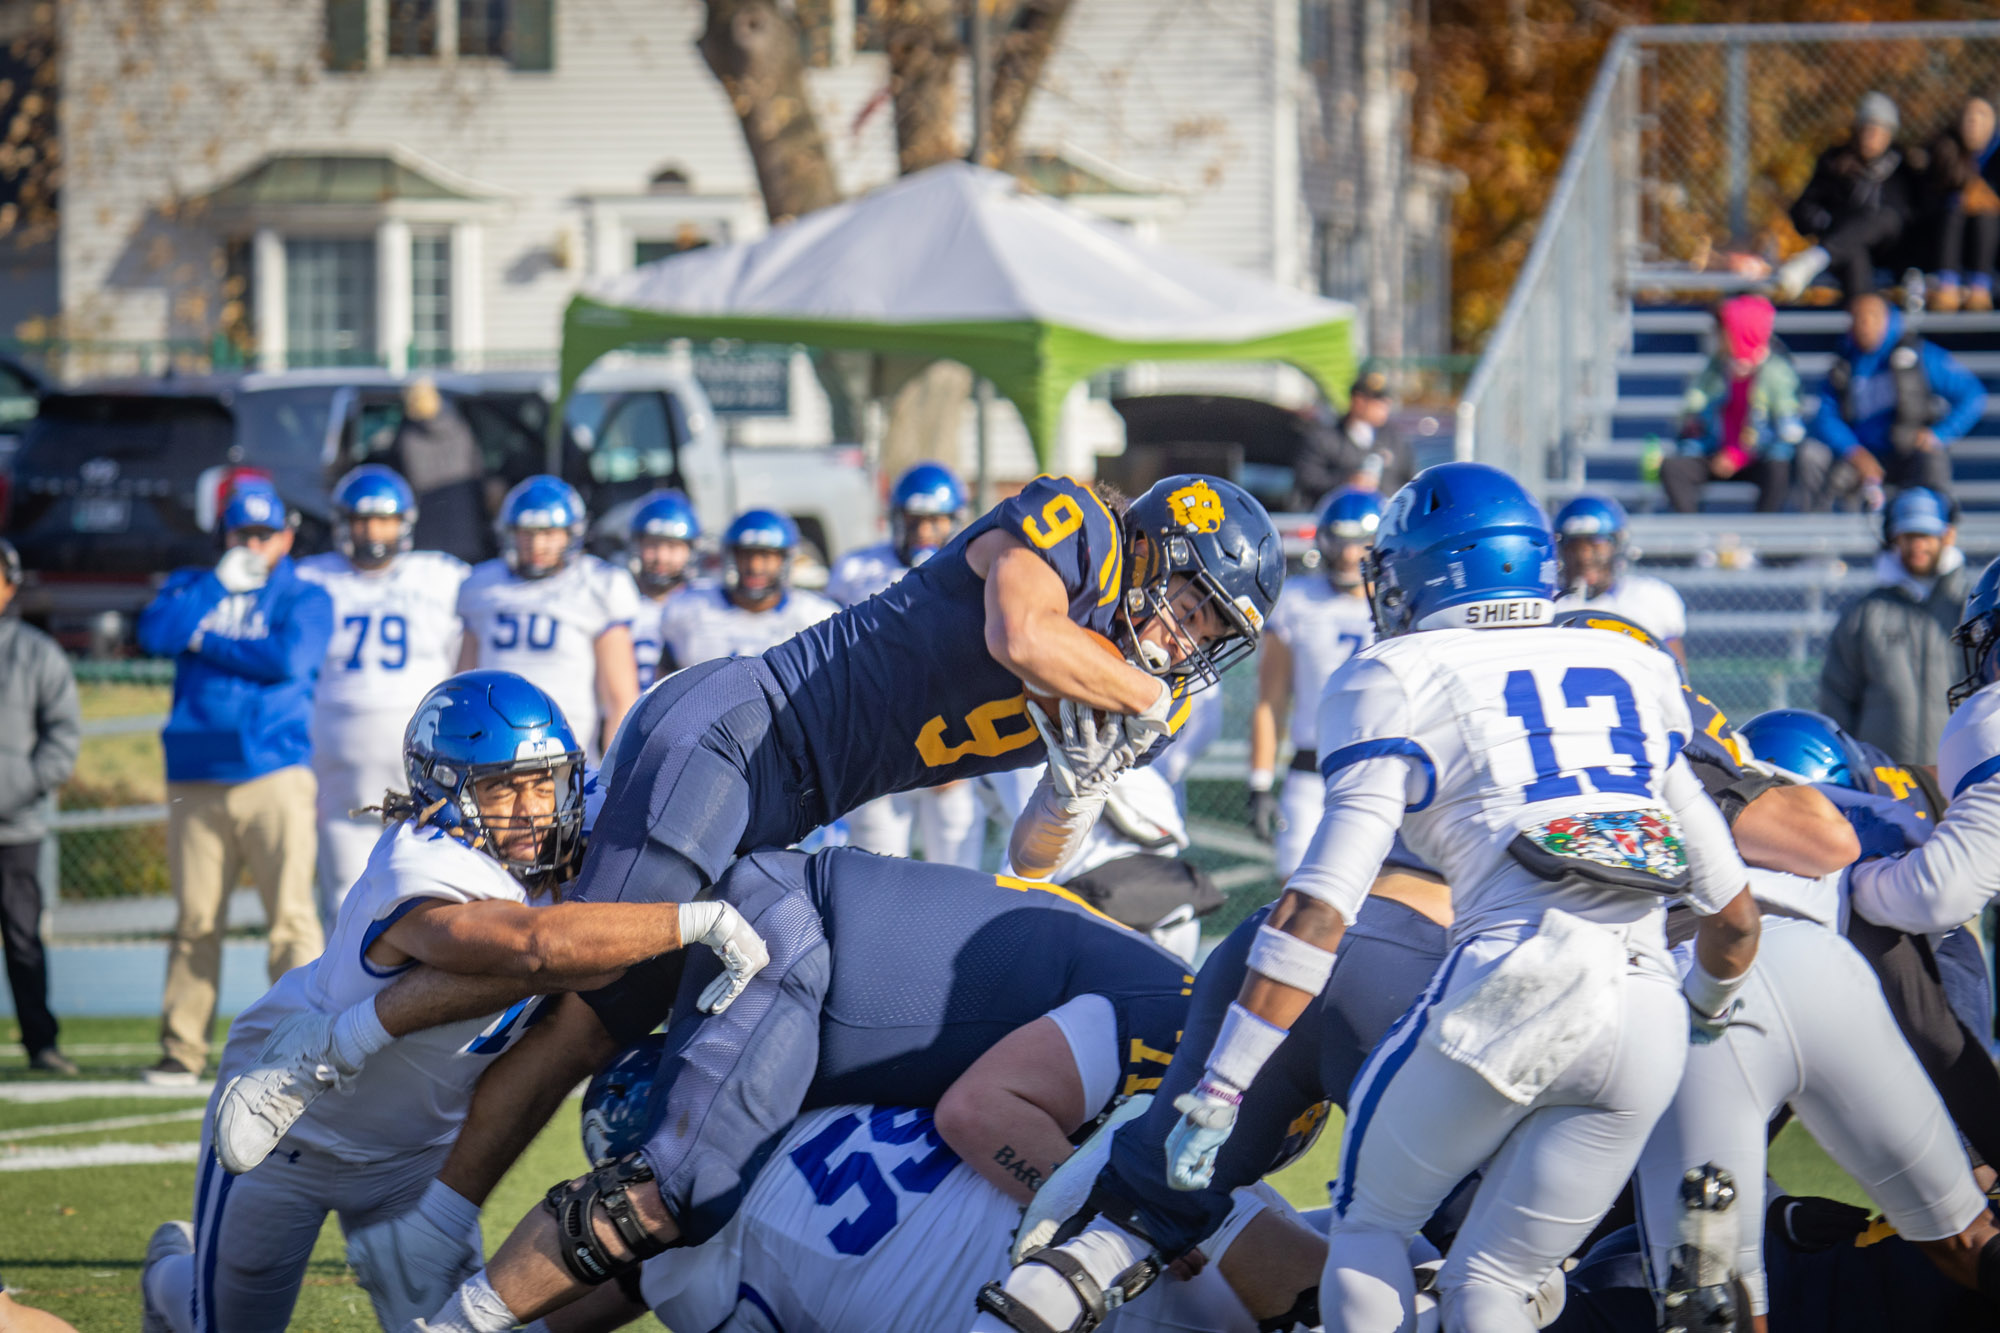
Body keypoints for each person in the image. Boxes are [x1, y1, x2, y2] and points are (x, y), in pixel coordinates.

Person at [217, 474, 1282, 1172]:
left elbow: (1031, 860)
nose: (1185, 642)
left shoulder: (1104, 680)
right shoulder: (1077, 530)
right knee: (578, 953)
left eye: (1207, 636)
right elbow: (1018, 629)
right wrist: (1150, 705)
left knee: (600, 1016)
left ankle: (439, 1219)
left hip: (800, 794)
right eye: (1192, 605)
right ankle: (326, 1044)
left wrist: (1074, 792)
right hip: (743, 728)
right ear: (1154, 549)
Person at [984, 612, 1851, 1333]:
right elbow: (1811, 852)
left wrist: (1223, 1084)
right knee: (1505, 1268)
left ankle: (1046, 1287)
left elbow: (1319, 902)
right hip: (1453, 983)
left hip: (1287, 951)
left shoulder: (1424, 681)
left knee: (1147, 1210)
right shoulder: (1628, 723)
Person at [1155, 463, 1761, 1333]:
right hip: (1650, 1016)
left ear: (1421, 573)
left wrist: (1223, 1086)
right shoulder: (1628, 655)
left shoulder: (1396, 670)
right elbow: (1733, 917)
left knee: (1369, 1230)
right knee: (1493, 1282)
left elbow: (1320, 909)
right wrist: (1700, 1013)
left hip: (1512, 985)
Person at [345, 846, 1199, 1331]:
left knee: (671, 1202)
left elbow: (631, 1278)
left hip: (985, 1294)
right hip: (1028, 1253)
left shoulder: (689, 1239)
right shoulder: (851, 1102)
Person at [144, 672, 767, 1331]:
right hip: (293, 1132)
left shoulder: (562, 825)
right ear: (440, 788)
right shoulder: (421, 860)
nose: (532, 807)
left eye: (544, 781)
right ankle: (168, 1273)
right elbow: (531, 947)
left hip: (416, 1158)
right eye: (502, 786)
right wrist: (698, 920)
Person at [534, 1045, 1325, 1333]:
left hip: (1020, 1304)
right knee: (1351, 1287)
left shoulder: (688, 1271)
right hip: (1142, 1222)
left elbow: (630, 1278)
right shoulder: (844, 1093)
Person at [134, 478, 331, 1085]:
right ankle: (182, 1048)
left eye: (264, 534)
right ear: (224, 535)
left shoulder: (306, 595)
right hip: (196, 774)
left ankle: (304, 1045)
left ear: (287, 537)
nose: (253, 544)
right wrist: (216, 588)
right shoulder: (194, 586)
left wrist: (206, 639)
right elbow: (155, 636)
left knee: (291, 920)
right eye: (242, 533)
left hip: (273, 771)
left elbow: (286, 662)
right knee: (196, 920)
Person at [295, 465, 468, 916]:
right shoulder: (312, 578)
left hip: (421, 751)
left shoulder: (442, 576)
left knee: (428, 879)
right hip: (339, 754)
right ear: (342, 524)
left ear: (404, 523)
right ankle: (348, 985)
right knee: (343, 890)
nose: (373, 531)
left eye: (384, 520)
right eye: (362, 520)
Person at [831, 463, 985, 867]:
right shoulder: (855, 571)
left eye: (934, 521)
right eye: (915, 521)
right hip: (881, 744)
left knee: (956, 875)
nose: (923, 533)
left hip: (955, 743)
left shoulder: (979, 570)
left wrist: (963, 747)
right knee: (875, 875)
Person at [456, 476, 641, 761]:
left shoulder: (597, 585)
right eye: (527, 533)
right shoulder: (482, 586)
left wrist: (613, 769)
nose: (537, 543)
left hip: (567, 746)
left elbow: (621, 698)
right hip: (491, 747)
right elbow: (463, 681)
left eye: (549, 533)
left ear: (571, 534)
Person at [1247, 487, 1379, 878]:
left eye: (1360, 545)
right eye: (1340, 543)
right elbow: (1270, 699)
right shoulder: (1298, 601)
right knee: (1298, 893)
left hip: (1382, 769)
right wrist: (1259, 781)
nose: (1350, 555)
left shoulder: (1399, 600)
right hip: (1311, 769)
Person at [0, 538, 79, 1075]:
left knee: (24, 940)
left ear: (11, 582)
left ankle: (40, 1043)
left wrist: (15, 786)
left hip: (15, 826)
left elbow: (62, 740)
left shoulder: (36, 652)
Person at [1818, 486, 1969, 766]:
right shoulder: (1864, 613)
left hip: (1958, 773)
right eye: (1908, 536)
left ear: (1947, 536)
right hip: (1885, 777)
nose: (1916, 546)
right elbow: (1837, 696)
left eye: (1925, 536)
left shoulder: (1969, 610)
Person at [1799, 292, 1986, 507]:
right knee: (1812, 453)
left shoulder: (1918, 355)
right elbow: (1826, 415)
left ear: (1886, 320)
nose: (1864, 326)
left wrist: (1940, 433)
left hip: (1908, 451)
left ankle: (1935, 525)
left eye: (1871, 317)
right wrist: (1854, 452)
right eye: (1857, 319)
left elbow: (1973, 395)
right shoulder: (1844, 363)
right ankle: (1819, 532)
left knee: (1933, 457)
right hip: (1860, 455)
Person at [1661, 294, 1806, 514]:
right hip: (1715, 455)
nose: (1717, 336)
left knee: (1779, 469)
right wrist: (1699, 443)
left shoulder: (1777, 374)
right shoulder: (1714, 370)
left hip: (1759, 458)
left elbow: (1788, 433)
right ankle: (1694, 540)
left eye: (1723, 329)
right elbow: (1693, 421)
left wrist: (1740, 455)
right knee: (1674, 468)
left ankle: (1761, 540)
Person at [1777, 92, 1919, 300]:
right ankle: (1865, 324)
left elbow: (1906, 216)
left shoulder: (1903, 167)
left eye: (1880, 130)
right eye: (1868, 128)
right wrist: (1832, 225)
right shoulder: (1835, 162)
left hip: (1890, 249)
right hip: (1844, 248)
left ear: (1890, 134)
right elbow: (1803, 209)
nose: (1872, 136)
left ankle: (1816, 259)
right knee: (1853, 248)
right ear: (1858, 129)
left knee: (1884, 217)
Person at [656, 509, 837, 669]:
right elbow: (664, 682)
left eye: (766, 556)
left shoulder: (815, 616)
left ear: (785, 559)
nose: (755, 567)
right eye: (746, 555)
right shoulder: (689, 608)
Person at [1549, 495, 1688, 667]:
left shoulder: (1649, 597)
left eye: (1596, 545)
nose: (1585, 557)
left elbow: (1676, 677)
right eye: (1575, 547)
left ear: (1617, 546)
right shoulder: (1549, 604)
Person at [386, 376, 493, 565]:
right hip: (464, 526)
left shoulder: (407, 436)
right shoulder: (461, 429)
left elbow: (399, 482)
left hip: (425, 530)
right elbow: (478, 474)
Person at [1922, 97, 2000, 313]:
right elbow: (1950, 186)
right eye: (1969, 117)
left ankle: (1980, 287)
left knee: (1986, 214)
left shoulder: (1997, 151)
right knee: (1955, 208)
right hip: (1948, 231)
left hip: (1989, 234)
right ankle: (1947, 285)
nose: (1974, 123)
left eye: (1981, 116)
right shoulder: (1945, 147)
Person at [1292, 370, 1413, 508]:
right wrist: (1347, 482)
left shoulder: (1394, 439)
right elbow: (1308, 479)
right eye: (1378, 402)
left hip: (1385, 519)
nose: (1384, 408)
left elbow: (1410, 482)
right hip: (1338, 519)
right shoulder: (1325, 437)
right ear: (1358, 401)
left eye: (1386, 402)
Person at [624, 490, 700, 690]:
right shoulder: (619, 599)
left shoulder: (703, 603)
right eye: (652, 545)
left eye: (672, 547)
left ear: (690, 550)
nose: (661, 557)